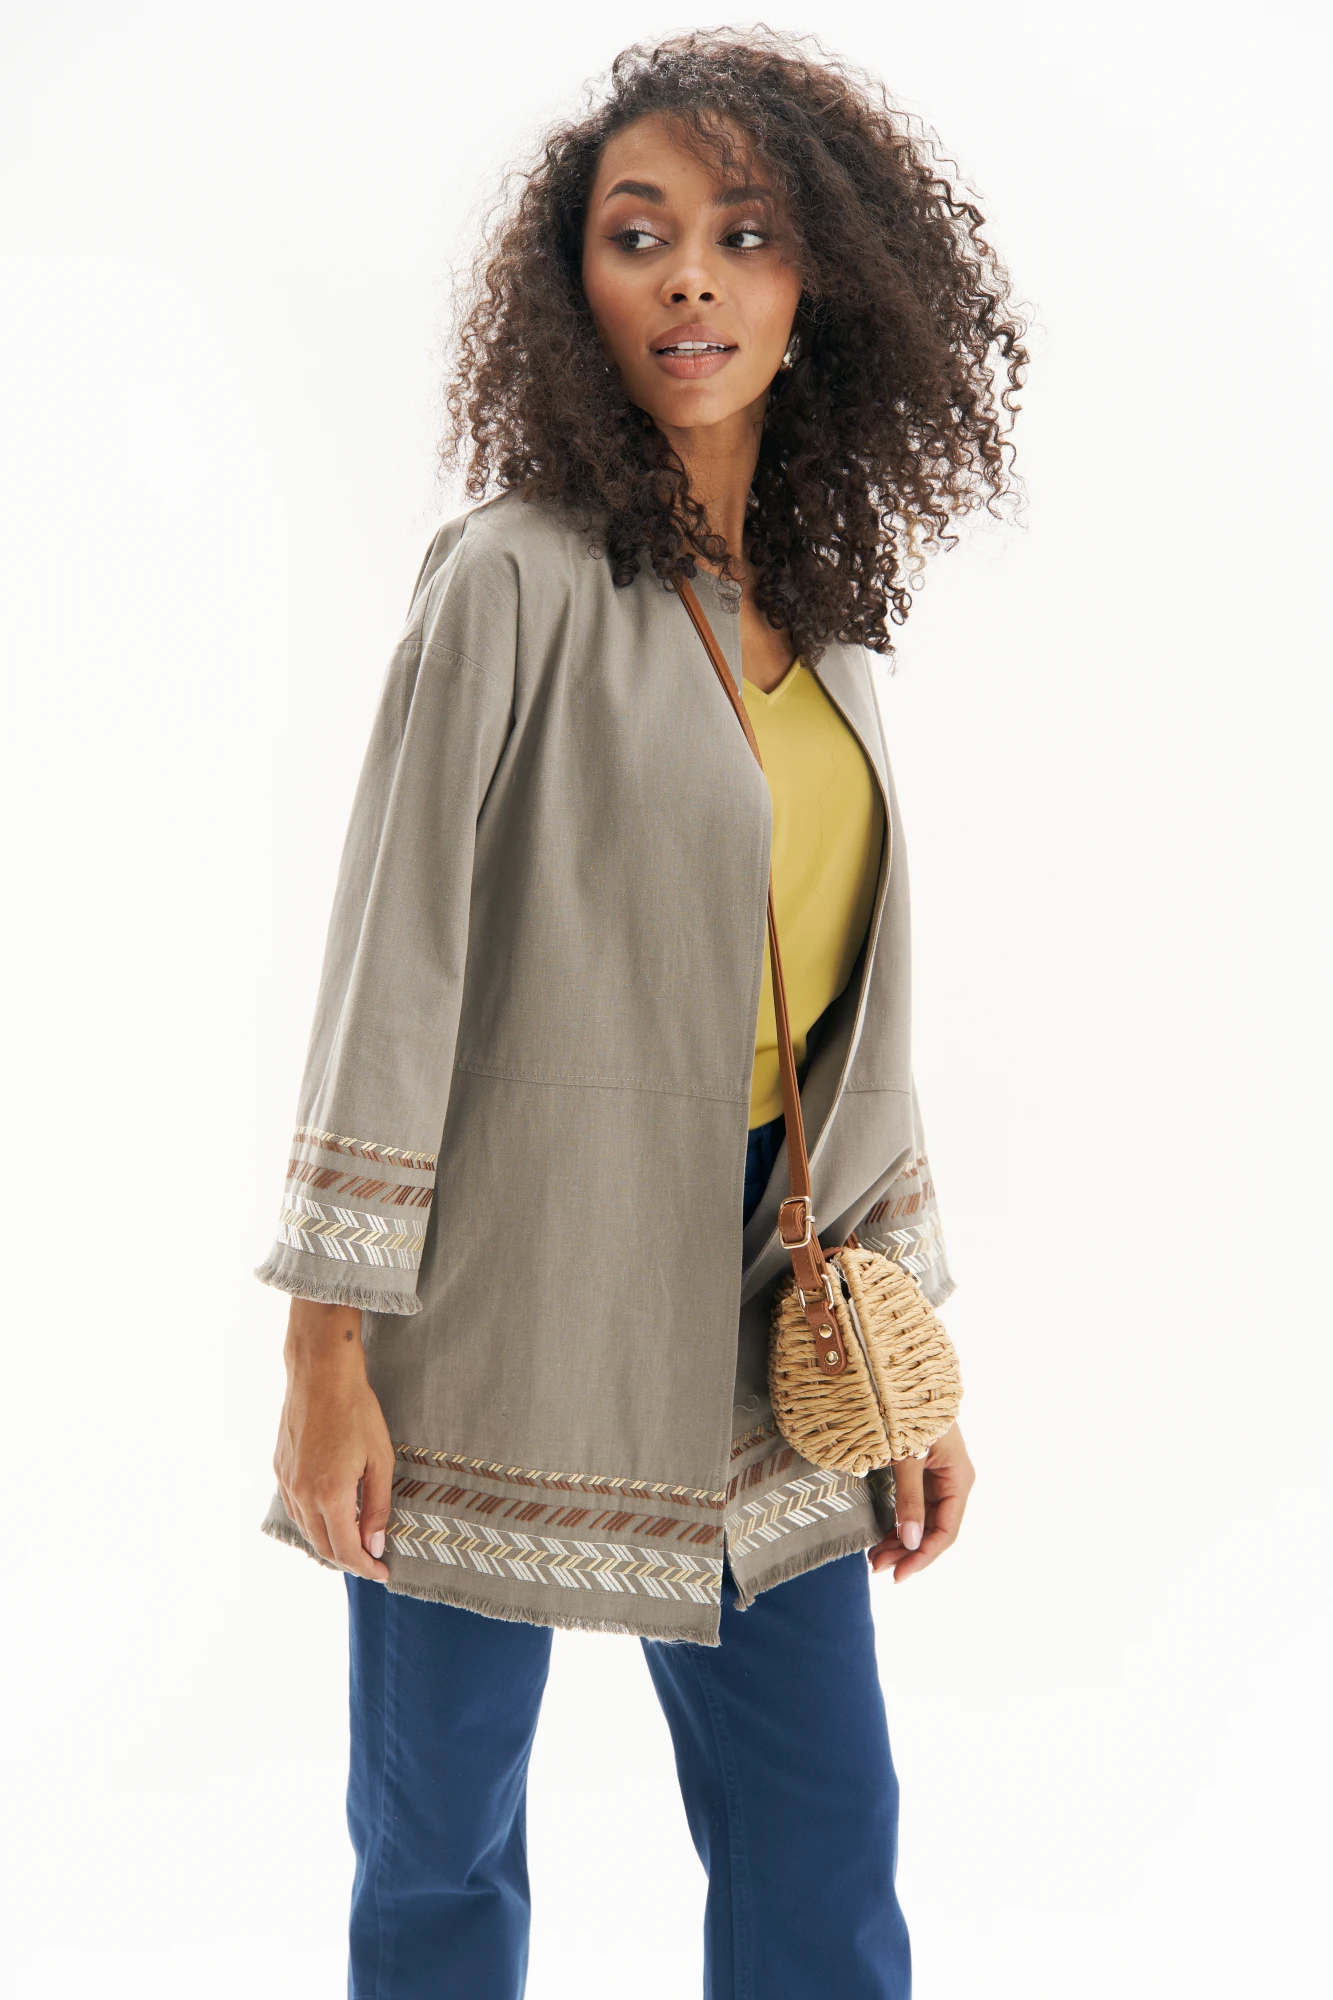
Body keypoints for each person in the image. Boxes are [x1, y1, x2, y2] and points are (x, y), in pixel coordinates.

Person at [258, 29, 1026, 1998]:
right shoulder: (505, 583)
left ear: (818, 286)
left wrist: (910, 1351)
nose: (693, 277)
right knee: (439, 1844)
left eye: (744, 235)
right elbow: (391, 969)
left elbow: (854, 1016)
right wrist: (327, 1352)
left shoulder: (829, 618)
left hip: (766, 1305)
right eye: (640, 233)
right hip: (490, 1305)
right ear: (574, 285)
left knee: (822, 1836)